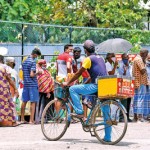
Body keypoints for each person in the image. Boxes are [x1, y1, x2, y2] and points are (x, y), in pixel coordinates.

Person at [62, 40, 111, 142]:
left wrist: (68, 82)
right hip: (105, 85)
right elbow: (98, 73)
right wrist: (86, 83)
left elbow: (78, 73)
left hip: (96, 85)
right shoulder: (100, 58)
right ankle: (108, 137)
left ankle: (80, 112)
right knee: (106, 111)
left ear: (85, 50)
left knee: (72, 89)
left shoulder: (88, 59)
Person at [21, 48, 42, 124]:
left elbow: (24, 73)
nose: (37, 57)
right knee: (33, 102)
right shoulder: (33, 62)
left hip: (26, 84)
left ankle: (22, 119)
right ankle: (31, 120)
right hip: (32, 84)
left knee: (24, 101)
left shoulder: (25, 61)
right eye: (37, 56)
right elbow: (32, 74)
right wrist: (38, 73)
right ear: (35, 54)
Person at [0, 55, 19, 127]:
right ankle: (13, 122)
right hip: (3, 90)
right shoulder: (5, 67)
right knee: (9, 105)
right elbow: (10, 79)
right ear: (2, 60)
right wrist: (15, 89)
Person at [55, 44, 73, 112]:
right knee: (69, 98)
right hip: (66, 79)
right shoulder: (68, 56)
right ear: (66, 49)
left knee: (59, 98)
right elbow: (68, 67)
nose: (71, 51)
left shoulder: (59, 56)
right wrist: (69, 76)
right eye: (70, 50)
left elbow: (57, 68)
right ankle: (68, 117)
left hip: (59, 78)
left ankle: (57, 117)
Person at [35, 59, 54, 124]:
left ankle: (42, 118)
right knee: (43, 105)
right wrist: (48, 91)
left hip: (43, 91)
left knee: (42, 105)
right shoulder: (40, 71)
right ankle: (41, 118)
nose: (45, 65)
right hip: (45, 92)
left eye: (45, 64)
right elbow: (44, 82)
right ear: (40, 65)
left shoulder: (43, 71)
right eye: (43, 64)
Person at [132, 49, 149, 122]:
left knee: (136, 99)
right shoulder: (139, 60)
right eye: (146, 55)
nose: (146, 56)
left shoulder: (137, 58)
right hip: (140, 82)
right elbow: (143, 70)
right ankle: (139, 117)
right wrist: (145, 64)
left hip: (137, 82)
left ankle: (135, 117)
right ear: (144, 54)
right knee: (140, 99)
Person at [118, 53, 132, 122]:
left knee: (128, 101)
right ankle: (121, 117)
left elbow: (131, 75)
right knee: (123, 101)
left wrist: (128, 67)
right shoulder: (120, 65)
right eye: (124, 58)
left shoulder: (130, 65)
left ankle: (127, 116)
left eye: (127, 58)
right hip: (123, 84)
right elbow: (121, 75)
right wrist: (125, 71)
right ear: (122, 58)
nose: (126, 59)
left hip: (129, 84)